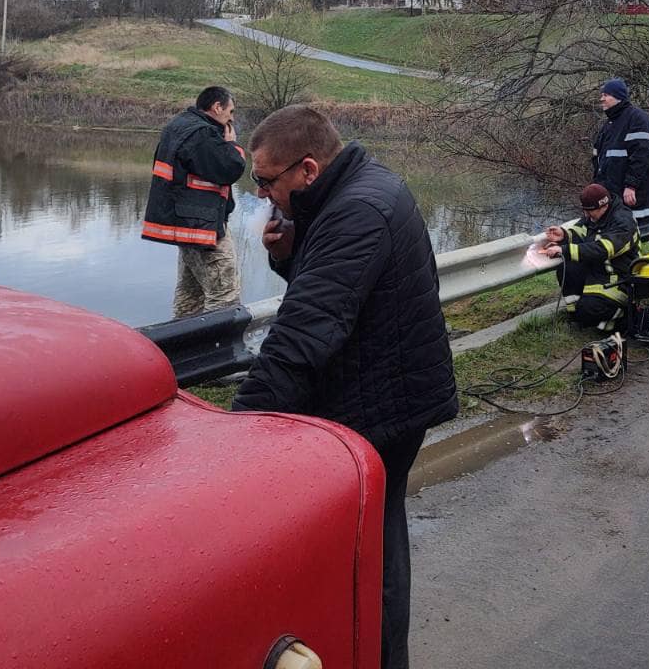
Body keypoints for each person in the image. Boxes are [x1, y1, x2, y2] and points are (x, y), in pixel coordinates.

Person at [231, 105, 458, 669]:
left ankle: (380, 658)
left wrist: (234, 437)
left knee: (371, 561)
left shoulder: (357, 211)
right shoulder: (360, 189)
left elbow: (303, 335)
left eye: (265, 181)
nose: (261, 195)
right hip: (389, 393)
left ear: (307, 169)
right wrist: (288, 256)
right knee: (378, 543)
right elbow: (342, 289)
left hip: (380, 406)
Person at [142, 85, 247, 318]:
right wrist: (232, 146)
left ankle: (182, 348)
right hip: (203, 228)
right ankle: (220, 350)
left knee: (190, 298)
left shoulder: (178, 126)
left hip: (189, 225)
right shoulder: (201, 134)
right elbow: (230, 168)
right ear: (217, 107)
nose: (232, 119)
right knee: (225, 296)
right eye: (230, 112)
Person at [542, 182, 641, 332]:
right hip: (599, 274)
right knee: (567, 266)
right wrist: (564, 235)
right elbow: (580, 232)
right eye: (585, 211)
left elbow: (602, 249)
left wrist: (565, 250)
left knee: (590, 310)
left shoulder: (623, 222)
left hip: (621, 279)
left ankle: (630, 317)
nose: (587, 216)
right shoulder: (594, 215)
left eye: (590, 212)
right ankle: (578, 316)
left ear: (603, 206)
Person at [592, 77, 649, 210]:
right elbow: (599, 163)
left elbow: (641, 156)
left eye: (605, 95)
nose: (601, 99)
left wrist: (631, 186)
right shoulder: (609, 125)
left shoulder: (638, 120)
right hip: (614, 200)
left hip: (636, 201)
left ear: (618, 96)